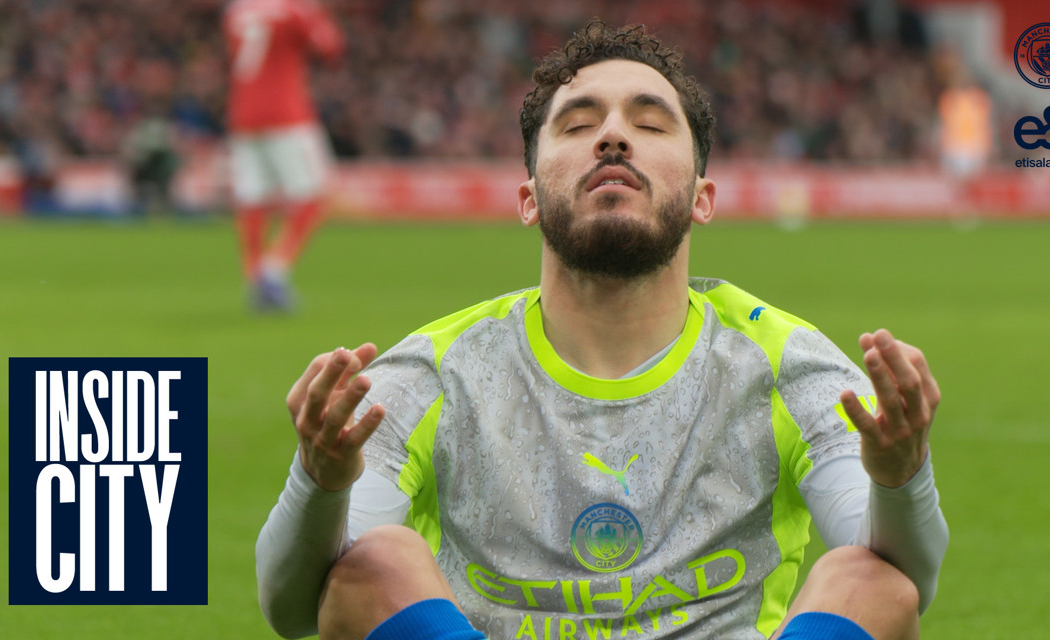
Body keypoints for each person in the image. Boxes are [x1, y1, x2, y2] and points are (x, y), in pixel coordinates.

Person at [256, 19, 948, 640]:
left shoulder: (787, 367)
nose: (614, 135)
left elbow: (904, 586)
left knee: (870, 580)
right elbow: (295, 610)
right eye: (578, 124)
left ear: (703, 198)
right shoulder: (435, 374)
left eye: (649, 125)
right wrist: (318, 481)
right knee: (371, 565)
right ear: (528, 199)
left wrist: (899, 480)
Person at [223, 0, 344, 311]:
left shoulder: (238, 10)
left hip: (243, 113)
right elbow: (330, 48)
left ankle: (253, 277)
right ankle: (273, 272)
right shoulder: (295, 11)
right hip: (286, 114)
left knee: (253, 198)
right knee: (315, 193)